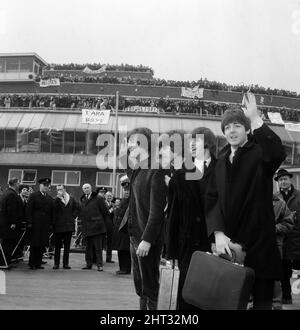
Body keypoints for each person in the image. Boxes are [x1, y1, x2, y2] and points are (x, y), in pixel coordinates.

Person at [206, 92, 286, 310]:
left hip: (259, 246)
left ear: (247, 129)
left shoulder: (259, 153)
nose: (232, 131)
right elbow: (211, 199)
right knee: (230, 304)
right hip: (229, 247)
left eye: (237, 126)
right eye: (228, 127)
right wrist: (218, 232)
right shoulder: (220, 161)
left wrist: (255, 118)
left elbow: (277, 152)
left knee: (262, 304)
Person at [164, 128, 217, 310]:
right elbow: (173, 216)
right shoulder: (179, 175)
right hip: (187, 247)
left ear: (209, 143)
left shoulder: (224, 170)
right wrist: (171, 252)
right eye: (191, 141)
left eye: (198, 140)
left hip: (216, 245)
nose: (193, 144)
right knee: (187, 299)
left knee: (213, 296)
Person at [127, 127, 168, 310]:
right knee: (140, 286)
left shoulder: (156, 170)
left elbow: (157, 211)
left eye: (134, 142)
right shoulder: (137, 168)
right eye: (129, 142)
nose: (129, 146)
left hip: (146, 239)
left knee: (150, 287)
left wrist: (147, 239)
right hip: (134, 236)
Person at [274, 168, 300, 304]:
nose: (283, 182)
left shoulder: (299, 196)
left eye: (285, 179)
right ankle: (286, 296)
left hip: (297, 240)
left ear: (290, 179)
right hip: (282, 242)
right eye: (280, 180)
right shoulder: (275, 198)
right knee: (284, 271)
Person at [79, 183, 109, 271]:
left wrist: (100, 222)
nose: (86, 189)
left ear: (91, 188)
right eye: (84, 188)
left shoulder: (98, 198)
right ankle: (89, 264)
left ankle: (100, 265)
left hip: (97, 227)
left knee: (98, 248)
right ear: (83, 190)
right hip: (87, 227)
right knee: (88, 248)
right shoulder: (83, 199)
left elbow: (105, 212)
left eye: (88, 188)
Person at [272, 194, 294, 310]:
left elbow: (289, 223)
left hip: (275, 243)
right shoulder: (251, 200)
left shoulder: (280, 203)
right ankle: (253, 301)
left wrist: (274, 228)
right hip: (255, 243)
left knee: (274, 274)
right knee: (255, 272)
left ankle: (276, 304)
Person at [27, 178, 54, 270]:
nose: (46, 187)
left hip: (45, 225)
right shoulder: (33, 196)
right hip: (35, 224)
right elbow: (29, 210)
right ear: (40, 186)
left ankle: (38, 263)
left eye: (47, 185)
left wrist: (50, 224)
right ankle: (32, 263)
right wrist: (30, 222)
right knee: (34, 244)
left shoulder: (49, 198)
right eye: (44, 185)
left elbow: (51, 212)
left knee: (42, 244)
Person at [53, 185, 79, 270]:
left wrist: (73, 217)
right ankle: (56, 263)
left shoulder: (71, 198)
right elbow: (53, 208)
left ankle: (65, 263)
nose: (59, 191)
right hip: (59, 226)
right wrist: (58, 198)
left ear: (64, 189)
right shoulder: (55, 199)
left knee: (67, 247)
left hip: (68, 226)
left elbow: (77, 209)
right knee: (57, 246)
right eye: (57, 190)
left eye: (60, 189)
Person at [0, 178, 22, 268]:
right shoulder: (12, 194)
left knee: (6, 243)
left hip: (4, 223)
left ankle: (5, 261)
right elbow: (11, 210)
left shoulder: (6, 193)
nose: (19, 184)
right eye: (18, 183)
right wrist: (13, 222)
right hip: (9, 224)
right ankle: (4, 262)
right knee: (7, 244)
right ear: (15, 184)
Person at [112, 175, 131, 275]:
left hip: (127, 230)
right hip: (120, 231)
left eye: (128, 190)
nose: (126, 192)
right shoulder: (123, 201)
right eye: (125, 190)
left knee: (126, 251)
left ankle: (125, 268)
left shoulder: (132, 201)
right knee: (121, 250)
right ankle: (123, 268)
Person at [104, 191, 115, 263]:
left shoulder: (114, 205)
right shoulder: (102, 204)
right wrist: (111, 210)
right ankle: (98, 259)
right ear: (105, 196)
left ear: (112, 197)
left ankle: (109, 258)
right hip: (103, 225)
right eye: (108, 196)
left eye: (110, 196)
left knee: (110, 242)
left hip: (111, 226)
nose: (109, 197)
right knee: (101, 242)